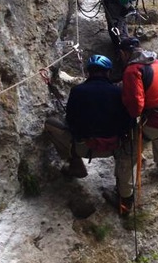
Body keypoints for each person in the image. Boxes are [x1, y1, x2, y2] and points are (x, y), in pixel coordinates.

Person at [44, 55, 136, 213]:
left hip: (84, 148)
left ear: (88, 72)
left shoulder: (77, 91)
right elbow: (128, 122)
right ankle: (124, 197)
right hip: (115, 148)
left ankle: (75, 164)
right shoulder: (118, 92)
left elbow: (70, 121)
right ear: (108, 72)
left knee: (50, 124)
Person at [118, 37, 158, 178]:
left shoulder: (132, 70)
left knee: (126, 156)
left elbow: (136, 107)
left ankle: (125, 197)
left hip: (156, 122)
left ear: (124, 53)